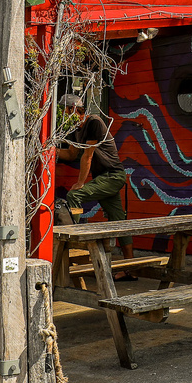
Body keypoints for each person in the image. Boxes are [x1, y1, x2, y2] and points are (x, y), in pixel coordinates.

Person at [54, 93, 135, 264]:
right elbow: (70, 154)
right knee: (118, 220)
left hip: (112, 176)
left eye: (64, 111)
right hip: (103, 178)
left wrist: (80, 183)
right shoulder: (76, 130)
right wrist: (48, 150)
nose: (62, 115)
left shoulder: (94, 122)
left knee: (74, 195)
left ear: (73, 109)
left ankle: (74, 243)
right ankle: (130, 266)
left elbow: (87, 156)